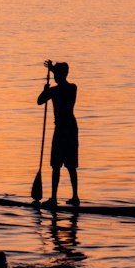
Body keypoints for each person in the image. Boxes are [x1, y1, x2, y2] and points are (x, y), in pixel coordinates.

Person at [37, 60, 78, 206]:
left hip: (63, 130)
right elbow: (40, 101)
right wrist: (46, 90)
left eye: (56, 74)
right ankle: (73, 197)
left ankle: (56, 198)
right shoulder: (71, 88)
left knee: (59, 165)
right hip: (70, 128)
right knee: (67, 165)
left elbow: (40, 100)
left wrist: (46, 91)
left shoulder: (59, 90)